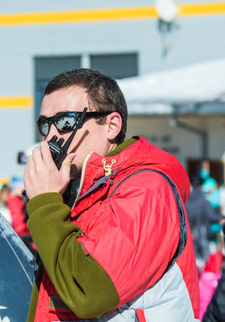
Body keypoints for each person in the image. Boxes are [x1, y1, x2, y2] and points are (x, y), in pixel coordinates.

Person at [23, 68, 199, 320]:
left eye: (65, 122)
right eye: (45, 124)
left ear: (111, 125)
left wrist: (45, 204)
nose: (52, 136)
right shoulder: (83, 190)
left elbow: (88, 292)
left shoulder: (146, 189)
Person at [186, 175, 223, 270]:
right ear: (201, 186)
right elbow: (212, 216)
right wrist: (222, 217)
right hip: (201, 235)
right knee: (205, 264)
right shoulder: (203, 201)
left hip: (188, 236)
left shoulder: (186, 199)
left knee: (192, 263)